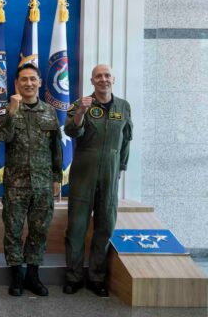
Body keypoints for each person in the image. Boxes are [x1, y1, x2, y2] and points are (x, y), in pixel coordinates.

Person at [63, 64, 132, 297]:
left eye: (107, 75)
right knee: (77, 228)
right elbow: (72, 131)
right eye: (98, 76)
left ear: (114, 79)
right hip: (84, 173)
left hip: (110, 173)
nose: (103, 79)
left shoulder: (124, 106)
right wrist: (81, 112)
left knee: (105, 227)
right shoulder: (80, 104)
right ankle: (73, 277)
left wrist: (120, 167)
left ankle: (96, 277)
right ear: (92, 81)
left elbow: (126, 139)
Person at [0, 64, 62, 297]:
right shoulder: (7, 110)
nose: (28, 83)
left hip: (43, 184)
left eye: (33, 79)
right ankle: (16, 276)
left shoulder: (49, 111)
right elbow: (2, 136)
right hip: (16, 184)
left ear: (40, 82)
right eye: (23, 79)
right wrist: (12, 112)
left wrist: (56, 177)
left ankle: (33, 275)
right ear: (16, 84)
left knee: (39, 231)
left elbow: (56, 148)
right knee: (13, 231)